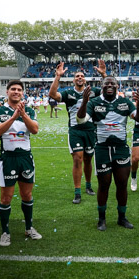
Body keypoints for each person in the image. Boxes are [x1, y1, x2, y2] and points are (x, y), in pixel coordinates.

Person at [78, 77, 139, 230]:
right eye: (106, 83)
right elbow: (81, 120)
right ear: (101, 86)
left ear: (116, 86)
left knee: (122, 184)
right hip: (102, 149)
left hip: (121, 149)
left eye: (112, 83)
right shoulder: (94, 103)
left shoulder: (124, 102)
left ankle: (122, 217)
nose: (109, 85)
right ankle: (101, 219)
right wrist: (84, 102)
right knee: (104, 184)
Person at [0, 80, 41, 246]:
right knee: (6, 198)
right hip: (8, 159)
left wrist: (23, 114)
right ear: (7, 92)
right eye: (13, 89)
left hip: (25, 158)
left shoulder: (29, 111)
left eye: (19, 90)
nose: (16, 92)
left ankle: (29, 228)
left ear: (22, 93)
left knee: (27, 195)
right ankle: (5, 232)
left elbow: (34, 130)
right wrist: (13, 117)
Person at [48, 60, 106, 203]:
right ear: (73, 80)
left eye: (82, 76)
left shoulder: (94, 92)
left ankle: (88, 185)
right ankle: (77, 192)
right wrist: (58, 76)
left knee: (88, 159)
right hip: (75, 130)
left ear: (85, 80)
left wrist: (104, 75)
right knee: (77, 158)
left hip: (90, 130)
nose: (79, 78)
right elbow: (52, 94)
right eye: (77, 76)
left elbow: (109, 90)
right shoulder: (68, 93)